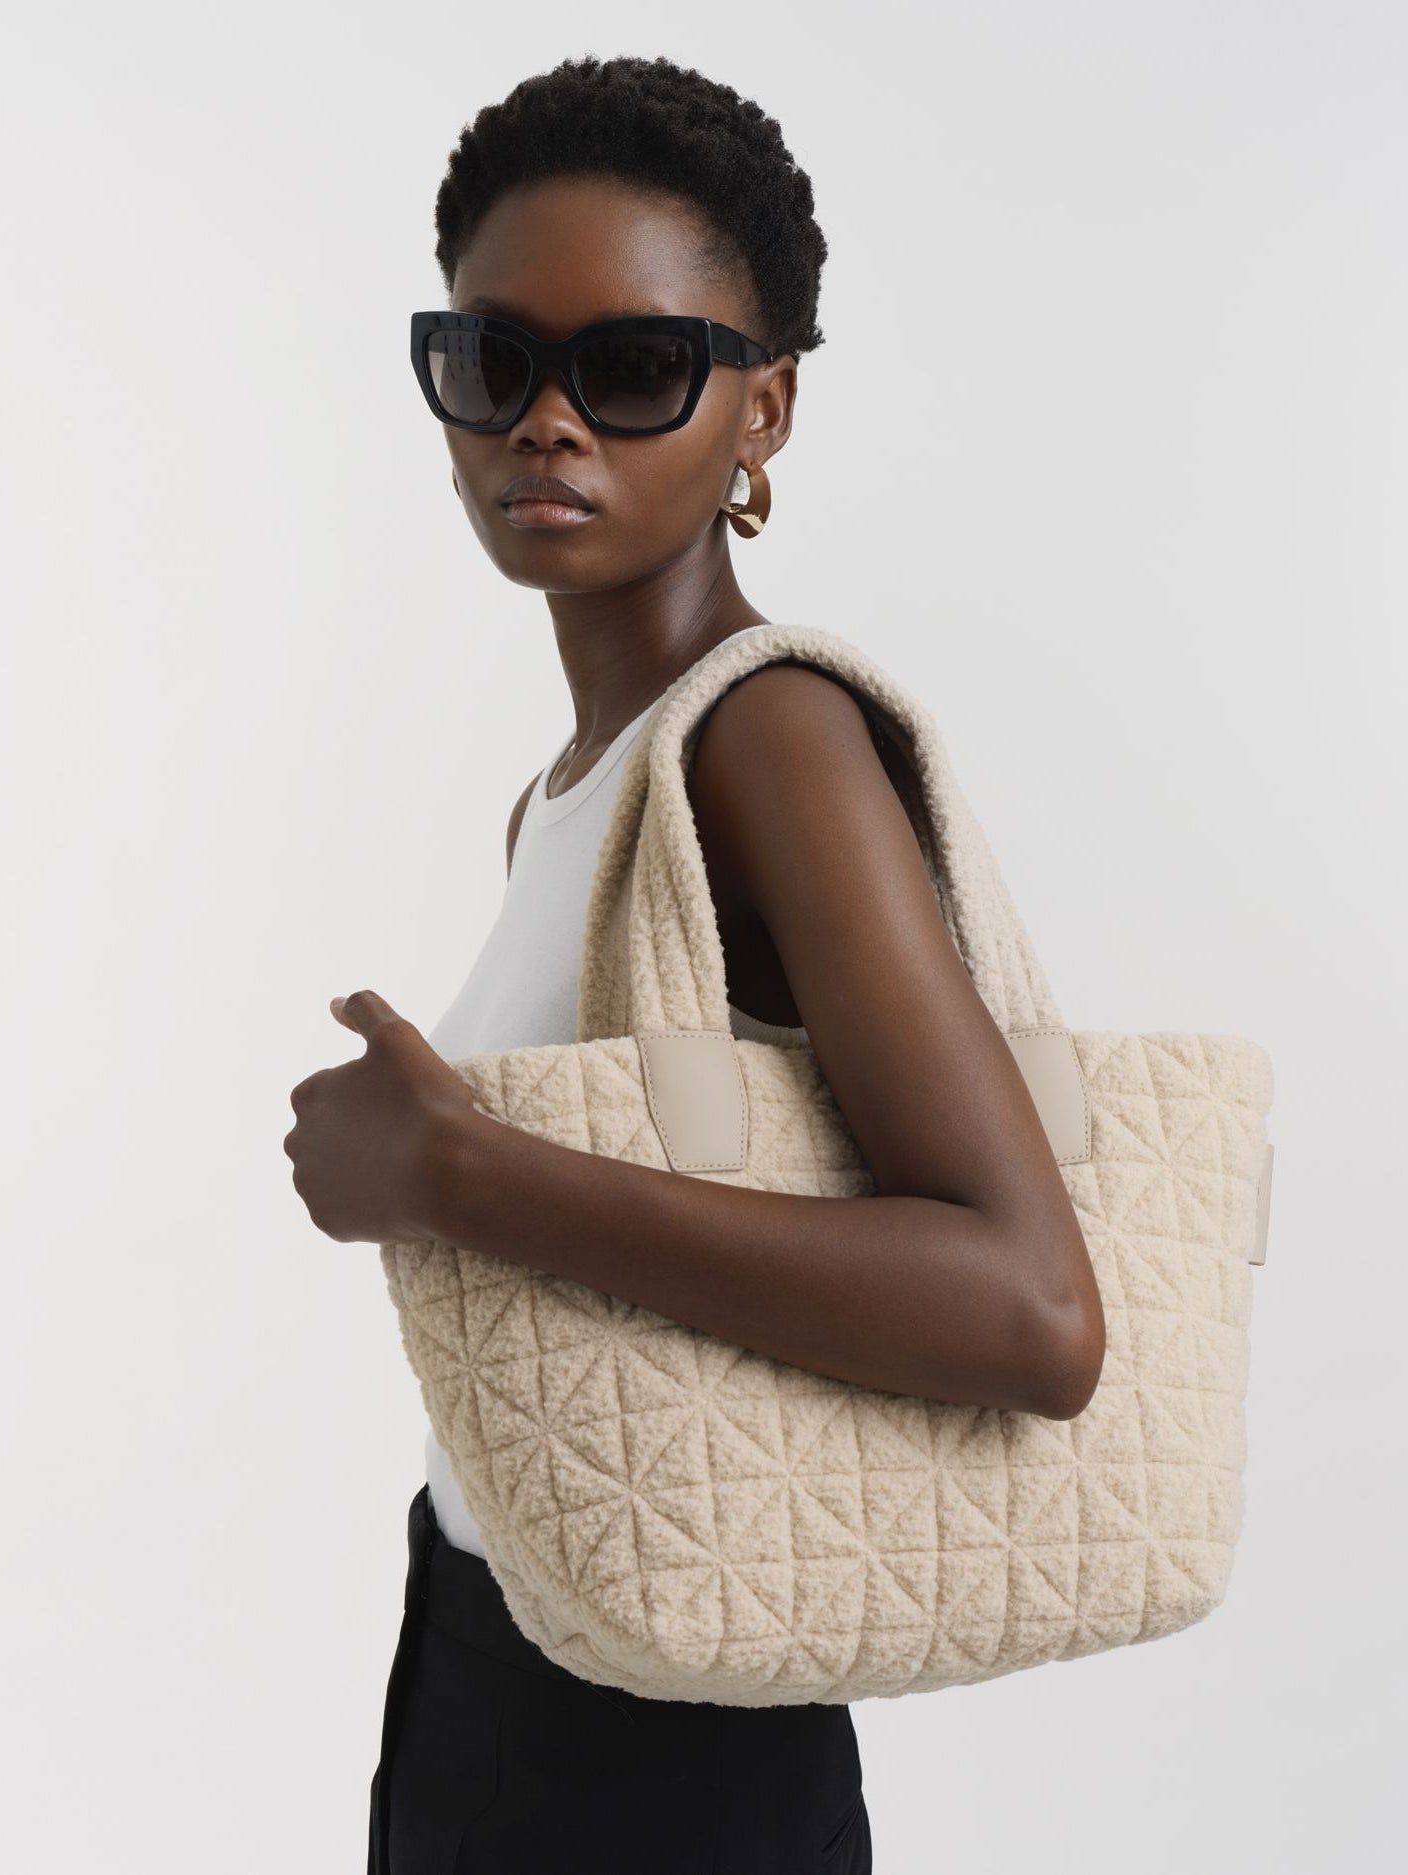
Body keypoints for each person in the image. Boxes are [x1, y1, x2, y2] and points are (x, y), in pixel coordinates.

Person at [283, 51, 1104, 1875]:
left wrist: (458, 1174)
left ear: (763, 411)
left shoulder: (768, 738)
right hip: (505, 1651)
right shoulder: (581, 793)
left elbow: (1031, 1312)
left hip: (661, 1758)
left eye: (636, 368)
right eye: (494, 360)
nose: (546, 425)